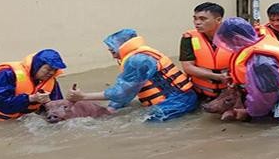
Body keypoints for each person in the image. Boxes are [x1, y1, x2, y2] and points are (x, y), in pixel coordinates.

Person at [67, 29, 197, 121]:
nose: (109, 49)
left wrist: (83, 96)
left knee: (146, 123)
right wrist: (112, 108)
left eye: (112, 45)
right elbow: (130, 88)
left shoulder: (138, 60)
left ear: (124, 45)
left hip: (177, 102)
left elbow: (121, 92)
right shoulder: (135, 57)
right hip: (179, 99)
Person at [213, 17, 279, 126]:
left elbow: (264, 97)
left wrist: (249, 113)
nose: (227, 46)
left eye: (227, 42)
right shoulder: (262, 41)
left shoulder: (260, 61)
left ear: (236, 39)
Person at [0, 49, 66, 121]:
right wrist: (31, 98)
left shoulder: (50, 82)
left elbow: (58, 109)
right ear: (37, 65)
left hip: (23, 120)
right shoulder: (7, 74)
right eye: (48, 69)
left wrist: (72, 100)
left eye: (55, 70)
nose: (51, 73)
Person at [179, 2, 232, 100]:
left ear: (218, 20)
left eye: (203, 19)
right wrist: (216, 77)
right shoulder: (188, 38)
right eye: (195, 18)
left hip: (230, 91)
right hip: (201, 93)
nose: (197, 22)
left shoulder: (233, 37)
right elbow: (188, 67)